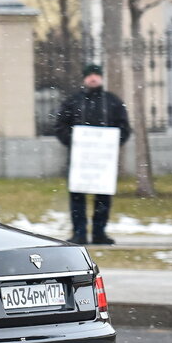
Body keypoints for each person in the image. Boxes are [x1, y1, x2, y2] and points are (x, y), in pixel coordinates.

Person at [54, 64, 131, 245]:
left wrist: (111, 143)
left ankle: (99, 233)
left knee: (103, 198)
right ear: (84, 78)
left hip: (104, 162)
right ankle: (79, 233)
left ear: (102, 77)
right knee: (77, 198)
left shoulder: (113, 102)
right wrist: (75, 142)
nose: (93, 78)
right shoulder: (73, 101)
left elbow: (124, 128)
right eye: (89, 75)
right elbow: (60, 126)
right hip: (79, 160)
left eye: (96, 74)